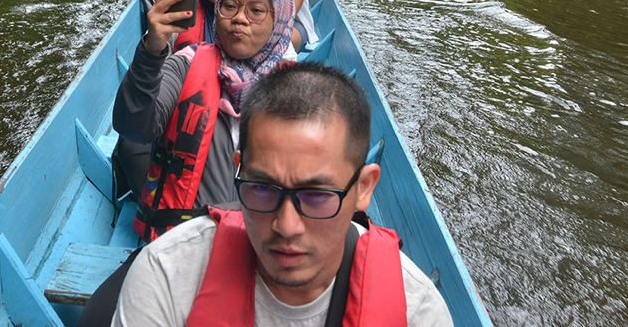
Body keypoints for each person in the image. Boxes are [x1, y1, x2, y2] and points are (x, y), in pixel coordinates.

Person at [111, 63, 454, 326]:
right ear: (239, 171)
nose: (286, 226)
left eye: (317, 195)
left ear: (363, 188)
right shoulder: (166, 274)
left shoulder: (417, 312)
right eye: (262, 188)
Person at [113, 0, 295, 242]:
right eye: (229, 6)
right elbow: (133, 127)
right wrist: (152, 50)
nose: (240, 19)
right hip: (184, 240)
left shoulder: (292, 89)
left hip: (262, 245)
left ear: (278, 21)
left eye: (256, 11)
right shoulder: (185, 63)